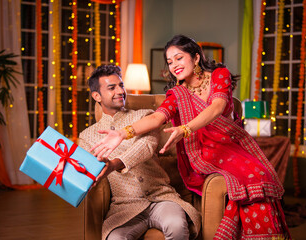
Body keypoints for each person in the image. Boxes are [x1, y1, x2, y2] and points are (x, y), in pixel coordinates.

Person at [91, 35, 291, 239]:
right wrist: (122, 133)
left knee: (256, 176)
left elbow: (217, 106)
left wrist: (185, 128)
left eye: (179, 58)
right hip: (203, 156)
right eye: (170, 62)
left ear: (196, 57)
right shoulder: (177, 94)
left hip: (232, 148)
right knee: (246, 179)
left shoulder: (219, 75)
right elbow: (157, 118)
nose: (174, 65)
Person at [78, 64, 201, 240]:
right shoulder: (87, 137)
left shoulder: (145, 117)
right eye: (112, 88)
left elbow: (147, 145)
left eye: (121, 85)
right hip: (125, 206)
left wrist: (115, 164)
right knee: (115, 238)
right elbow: (83, 173)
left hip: (162, 197)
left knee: (177, 226)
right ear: (96, 96)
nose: (120, 91)